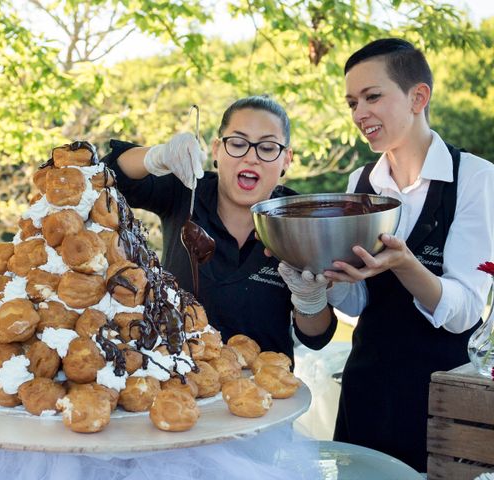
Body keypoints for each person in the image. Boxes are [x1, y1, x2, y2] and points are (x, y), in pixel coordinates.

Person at [318, 38, 494, 472]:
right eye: (352, 102)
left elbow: (466, 311)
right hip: (365, 390)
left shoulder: (474, 178)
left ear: (419, 97)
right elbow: (358, 303)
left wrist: (406, 264)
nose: (360, 113)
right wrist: (326, 278)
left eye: (372, 96)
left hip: (439, 400)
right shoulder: (360, 182)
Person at [101, 96, 337, 365]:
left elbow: (316, 337)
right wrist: (157, 156)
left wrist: (310, 299)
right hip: (179, 384)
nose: (251, 157)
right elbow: (108, 174)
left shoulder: (299, 222)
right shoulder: (186, 191)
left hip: (265, 396)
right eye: (237, 144)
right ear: (216, 150)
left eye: (268, 148)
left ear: (286, 159)